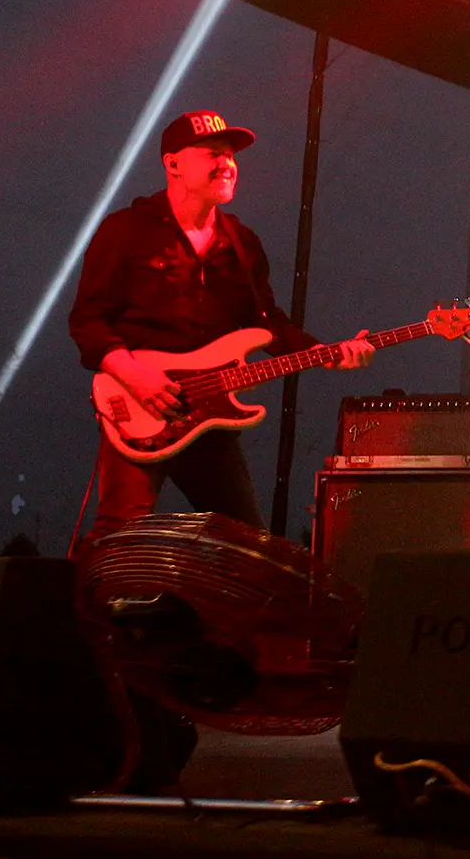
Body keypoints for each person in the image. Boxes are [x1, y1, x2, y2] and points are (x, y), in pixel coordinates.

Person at [68, 110, 374, 547]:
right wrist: (135, 376)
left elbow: (267, 324)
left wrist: (328, 353)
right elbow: (88, 320)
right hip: (138, 403)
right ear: (173, 163)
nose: (227, 164)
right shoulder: (126, 230)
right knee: (120, 532)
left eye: (230, 156)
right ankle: (92, 593)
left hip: (209, 413)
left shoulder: (242, 243)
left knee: (246, 542)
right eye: (213, 153)